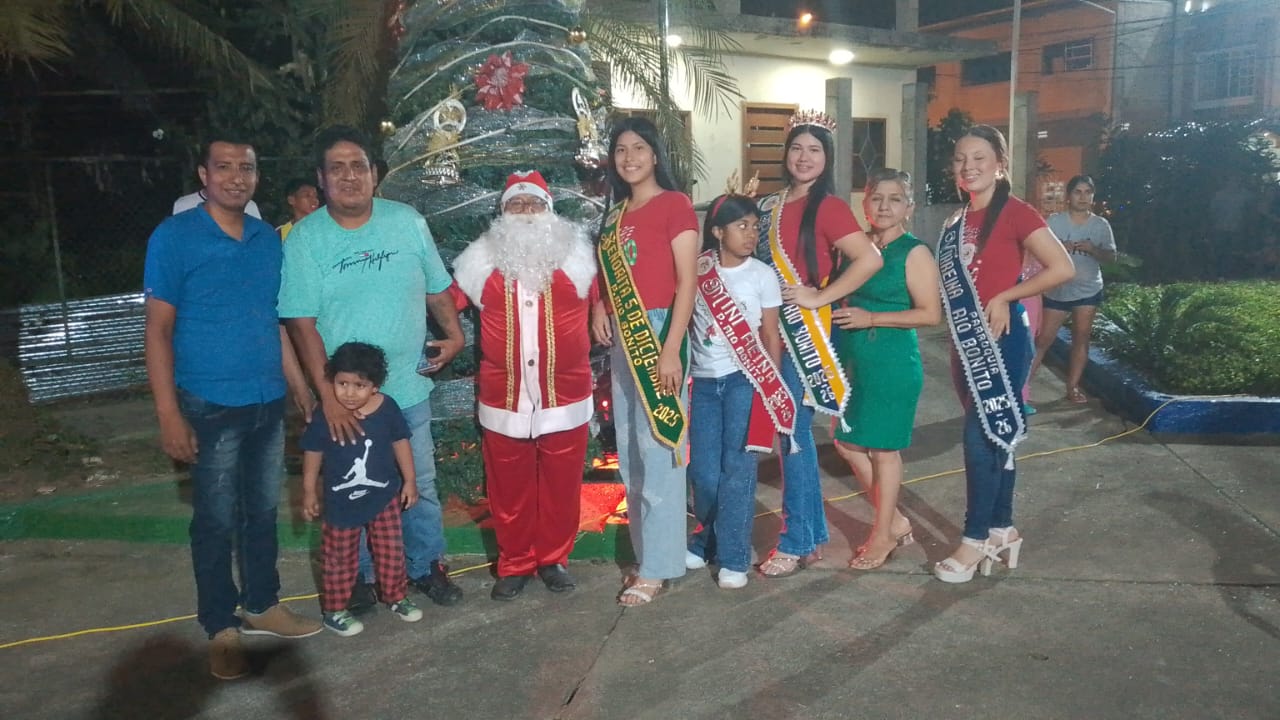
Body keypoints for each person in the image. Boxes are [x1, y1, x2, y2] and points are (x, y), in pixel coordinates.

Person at [143, 136, 321, 681]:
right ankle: (221, 624)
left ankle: (262, 603)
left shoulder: (267, 240)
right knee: (216, 519)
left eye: (247, 167)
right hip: (208, 402)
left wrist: (300, 389)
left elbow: (274, 319)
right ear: (204, 174)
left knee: (262, 511)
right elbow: (158, 330)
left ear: (257, 176)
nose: (236, 177)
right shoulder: (174, 237)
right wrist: (168, 414)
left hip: (266, 400)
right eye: (224, 167)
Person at [279, 125, 467, 609]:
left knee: (419, 483)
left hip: (407, 389)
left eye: (358, 166)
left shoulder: (407, 222)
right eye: (336, 168)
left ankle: (426, 566)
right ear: (321, 178)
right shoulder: (306, 240)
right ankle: (360, 578)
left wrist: (454, 334)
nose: (349, 176)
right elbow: (300, 323)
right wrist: (327, 397)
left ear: (375, 174)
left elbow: (436, 287)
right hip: (346, 400)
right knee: (351, 489)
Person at [933, 125, 1073, 583]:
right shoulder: (954, 222)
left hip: (1003, 338)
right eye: (961, 158)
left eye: (979, 157)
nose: (968, 166)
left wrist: (1007, 295)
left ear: (1000, 164)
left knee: (979, 436)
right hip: (965, 342)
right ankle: (1002, 528)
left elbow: (1062, 268)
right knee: (999, 436)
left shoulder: (1016, 212)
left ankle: (974, 539)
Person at [452, 170, 597, 601]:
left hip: (565, 394)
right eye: (515, 204)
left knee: (561, 487)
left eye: (534, 203)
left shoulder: (580, 258)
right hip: (504, 396)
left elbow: (606, 301)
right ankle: (514, 562)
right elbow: (444, 302)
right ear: (502, 213)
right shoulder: (478, 261)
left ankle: (553, 559)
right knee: (508, 489)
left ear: (549, 210)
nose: (525, 212)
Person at [754, 110, 883, 578]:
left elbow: (869, 259)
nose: (804, 157)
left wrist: (819, 296)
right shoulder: (767, 206)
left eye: (814, 150)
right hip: (769, 331)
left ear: (826, 158)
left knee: (792, 432)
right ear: (785, 154)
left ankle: (796, 540)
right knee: (789, 433)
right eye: (796, 148)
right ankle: (808, 536)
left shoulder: (828, 207)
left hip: (805, 333)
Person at [590, 117, 699, 606]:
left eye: (638, 147)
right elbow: (610, 279)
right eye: (620, 149)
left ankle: (658, 566)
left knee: (659, 451)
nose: (629, 157)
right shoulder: (614, 216)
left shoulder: (674, 205)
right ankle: (647, 553)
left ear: (655, 154)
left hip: (658, 332)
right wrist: (600, 306)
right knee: (632, 454)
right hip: (623, 338)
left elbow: (686, 282)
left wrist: (671, 348)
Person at [827, 169, 940, 570]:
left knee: (883, 450)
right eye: (877, 198)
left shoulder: (914, 252)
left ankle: (882, 535)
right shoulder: (856, 248)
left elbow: (930, 314)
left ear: (909, 207)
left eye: (895, 199)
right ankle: (894, 521)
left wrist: (871, 318)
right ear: (865, 204)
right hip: (852, 364)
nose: (885, 206)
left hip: (891, 362)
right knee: (846, 443)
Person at [684, 193, 790, 590]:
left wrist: (770, 386)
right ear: (717, 231)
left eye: (754, 227)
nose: (750, 234)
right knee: (703, 472)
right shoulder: (698, 270)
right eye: (741, 226)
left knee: (738, 470)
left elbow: (770, 334)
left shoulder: (762, 275)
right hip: (704, 383)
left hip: (745, 381)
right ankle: (706, 540)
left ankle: (733, 556)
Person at [301, 342, 424, 635]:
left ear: (375, 386)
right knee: (339, 558)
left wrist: (410, 480)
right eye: (342, 383)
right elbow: (313, 451)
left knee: (391, 550)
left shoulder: (387, 408)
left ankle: (396, 596)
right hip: (341, 503)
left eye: (360, 385)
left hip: (384, 497)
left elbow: (401, 442)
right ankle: (334, 610)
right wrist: (308, 490)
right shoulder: (325, 414)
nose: (349, 393)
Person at [1029, 175, 1116, 404]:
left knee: (1081, 338)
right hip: (1057, 290)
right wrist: (1059, 249)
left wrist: (1093, 249)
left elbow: (1111, 257)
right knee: (1043, 340)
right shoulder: (1054, 222)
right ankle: (1021, 388)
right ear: (1069, 196)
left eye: (1088, 192)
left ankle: (1073, 387)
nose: (1083, 197)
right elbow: (1036, 252)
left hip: (1088, 290)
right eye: (1078, 192)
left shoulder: (1100, 225)